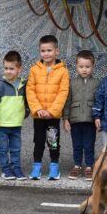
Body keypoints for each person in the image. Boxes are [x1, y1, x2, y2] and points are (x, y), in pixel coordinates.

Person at [26, 35, 70, 180]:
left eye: (49, 50)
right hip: (38, 115)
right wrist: (38, 109)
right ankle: (36, 167)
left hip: (52, 116)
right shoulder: (34, 69)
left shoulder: (63, 71)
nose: (46, 54)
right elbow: (30, 90)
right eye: (43, 51)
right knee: (38, 141)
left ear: (57, 51)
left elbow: (63, 92)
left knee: (53, 141)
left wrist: (52, 111)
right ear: (39, 52)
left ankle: (54, 166)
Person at [0, 50, 29, 181]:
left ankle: (16, 168)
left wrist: (26, 112)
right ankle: (6, 169)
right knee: (3, 148)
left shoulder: (23, 85)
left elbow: (27, 101)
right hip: (2, 125)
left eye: (11, 69)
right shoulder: (0, 84)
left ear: (19, 69)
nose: (8, 71)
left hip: (16, 124)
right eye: (6, 68)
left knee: (16, 148)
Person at [63, 50, 100, 180]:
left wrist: (98, 118)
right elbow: (67, 101)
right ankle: (77, 165)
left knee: (89, 144)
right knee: (77, 144)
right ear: (76, 66)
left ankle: (89, 166)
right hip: (75, 120)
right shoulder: (72, 82)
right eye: (81, 66)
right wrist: (66, 119)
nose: (84, 69)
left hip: (90, 120)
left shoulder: (97, 83)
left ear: (93, 66)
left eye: (87, 66)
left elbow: (99, 101)